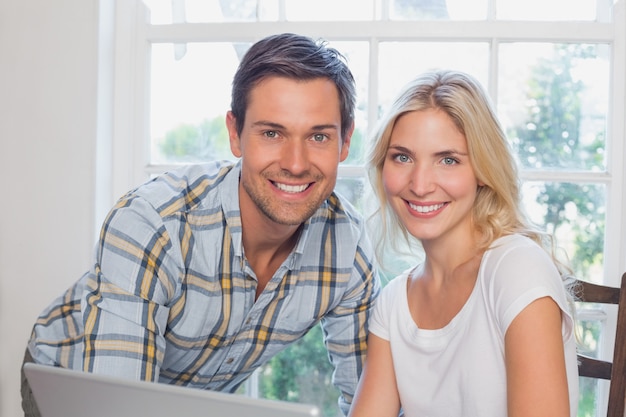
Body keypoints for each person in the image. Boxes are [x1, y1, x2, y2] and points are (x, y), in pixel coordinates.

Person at [21, 32, 380, 417]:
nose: (295, 163)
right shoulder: (154, 226)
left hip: (190, 400)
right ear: (234, 133)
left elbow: (370, 397)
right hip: (72, 384)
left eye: (318, 136)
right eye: (272, 133)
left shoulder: (347, 247)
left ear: (344, 142)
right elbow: (116, 409)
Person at [348, 69, 578, 417]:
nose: (420, 185)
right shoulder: (394, 302)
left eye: (448, 160)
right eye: (402, 157)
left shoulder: (517, 270)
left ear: (483, 171)